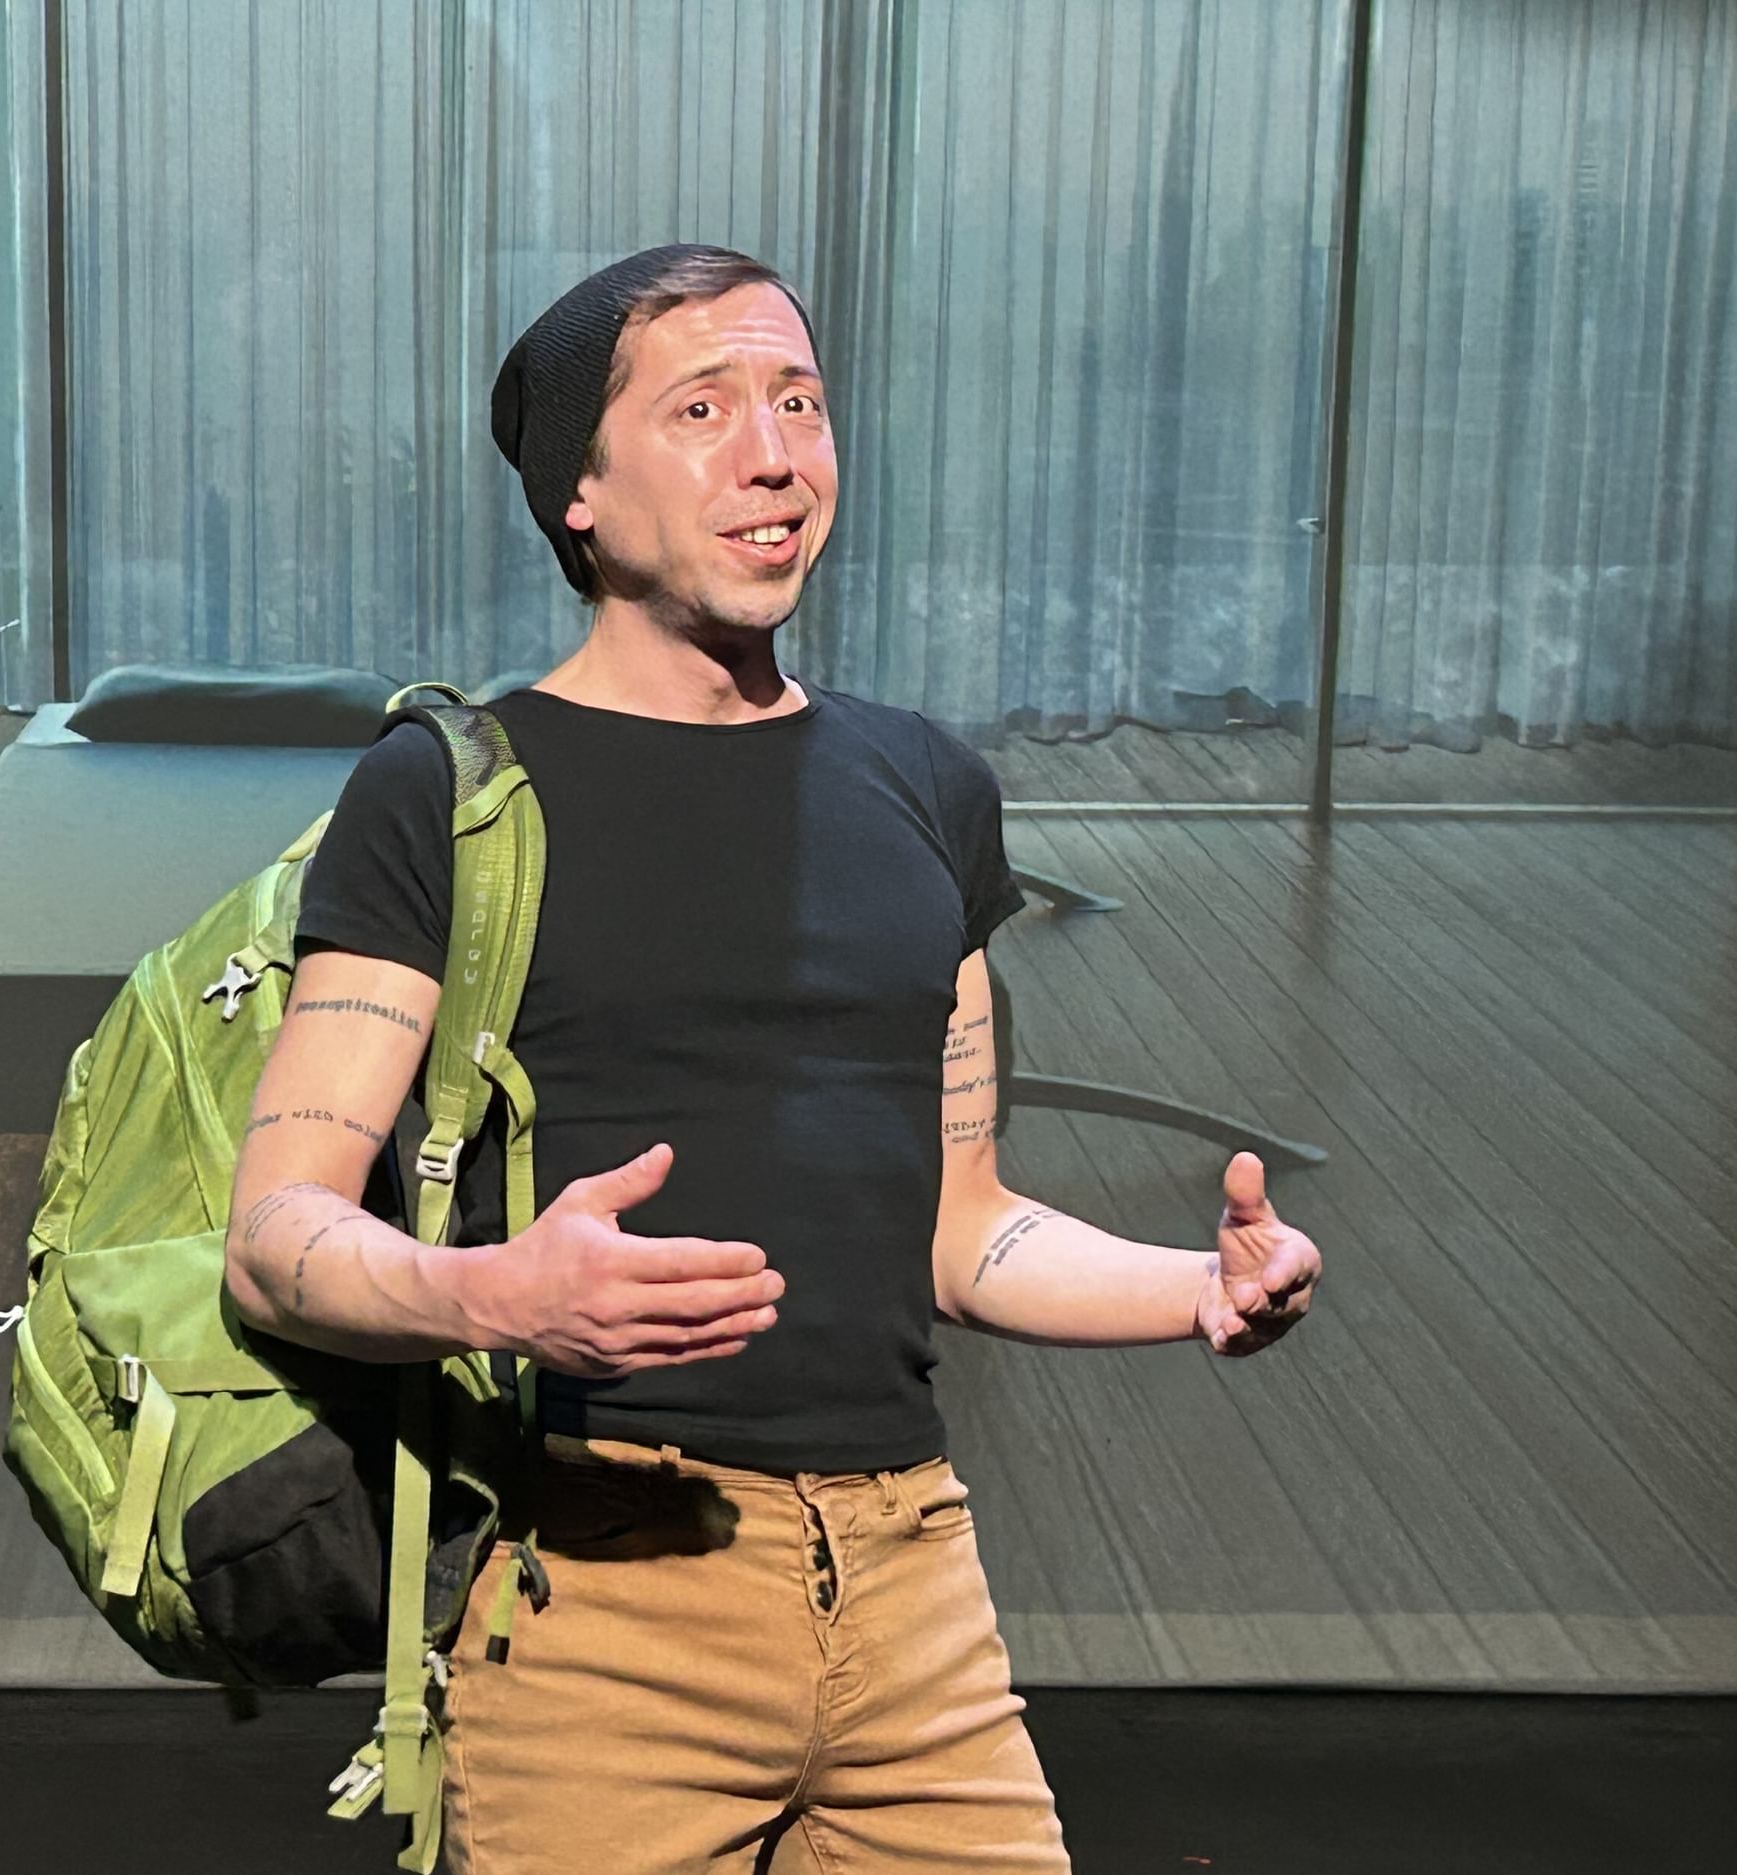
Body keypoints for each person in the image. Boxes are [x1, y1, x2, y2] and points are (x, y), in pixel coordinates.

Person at [224, 245, 1323, 1873]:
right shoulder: (452, 792)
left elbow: (959, 1226)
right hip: (610, 1603)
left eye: (800, 401)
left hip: (914, 1594)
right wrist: (500, 1297)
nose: (776, 451)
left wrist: (1197, 1288)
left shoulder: (926, 786)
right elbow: (274, 1240)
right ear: (579, 495)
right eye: (705, 406)